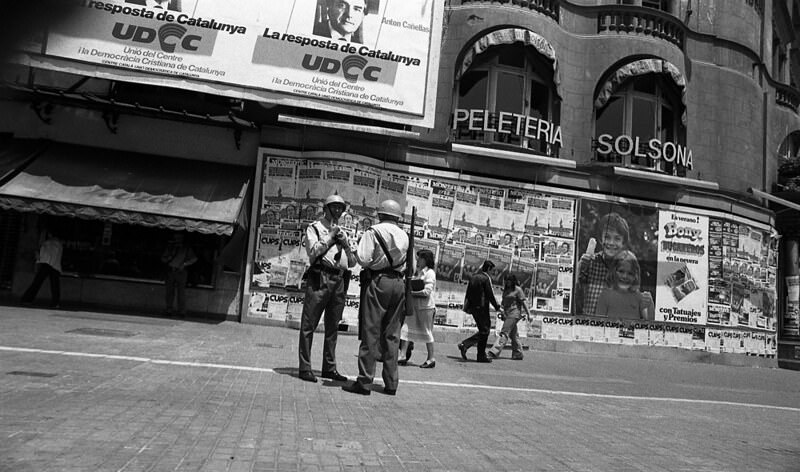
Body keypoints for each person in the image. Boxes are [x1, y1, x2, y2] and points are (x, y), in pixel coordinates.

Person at [342, 199, 409, 396]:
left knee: (371, 331)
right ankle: (391, 383)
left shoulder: (374, 232)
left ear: (380, 214)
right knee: (392, 334)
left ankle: (364, 381)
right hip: (399, 284)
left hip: (379, 282)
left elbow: (363, 259)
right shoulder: (405, 235)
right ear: (397, 217)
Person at [297, 194, 356, 383]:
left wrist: (345, 245)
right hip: (320, 276)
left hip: (339, 279)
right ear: (327, 208)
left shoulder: (343, 232)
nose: (338, 211)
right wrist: (330, 237)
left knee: (333, 326)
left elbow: (353, 262)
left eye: (341, 208)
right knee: (309, 324)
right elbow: (313, 253)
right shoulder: (314, 228)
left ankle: (329, 368)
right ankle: (305, 367)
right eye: (335, 207)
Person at [577, 212, 630, 316]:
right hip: (588, 326)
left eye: (617, 238)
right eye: (607, 237)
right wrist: (579, 268)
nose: (611, 242)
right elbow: (575, 294)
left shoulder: (627, 269)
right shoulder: (591, 262)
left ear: (623, 243)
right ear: (601, 239)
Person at [398, 249, 437, 368]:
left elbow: (427, 291)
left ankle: (431, 358)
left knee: (427, 332)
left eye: (421, 258)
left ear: (427, 260)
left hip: (426, 308)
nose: (418, 260)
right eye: (418, 258)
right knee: (406, 329)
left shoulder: (430, 273)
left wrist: (412, 293)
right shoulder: (417, 272)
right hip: (414, 307)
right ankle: (402, 355)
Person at [458, 260, 503, 363]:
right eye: (492, 271)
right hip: (482, 308)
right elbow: (490, 294)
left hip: (473, 308)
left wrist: (467, 307)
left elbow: (468, 293)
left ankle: (479, 354)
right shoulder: (486, 278)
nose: (493, 273)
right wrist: (497, 307)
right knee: (485, 330)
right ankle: (466, 345)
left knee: (483, 330)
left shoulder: (474, 277)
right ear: (488, 269)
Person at [595, 250, 654, 320]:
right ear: (614, 271)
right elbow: (598, 323)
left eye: (630, 273)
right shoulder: (605, 295)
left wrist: (650, 304)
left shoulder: (638, 297)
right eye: (621, 271)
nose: (625, 276)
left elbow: (650, 322)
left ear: (636, 275)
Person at [487, 274, 530, 360]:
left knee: (504, 332)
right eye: (506, 280)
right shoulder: (506, 290)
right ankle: (518, 353)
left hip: (515, 314)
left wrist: (529, 314)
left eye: (509, 280)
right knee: (513, 335)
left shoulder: (518, 290)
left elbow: (524, 302)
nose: (507, 282)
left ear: (513, 281)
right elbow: (503, 303)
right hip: (507, 314)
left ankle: (494, 352)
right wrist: (502, 313)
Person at [21, 229, 63, 308]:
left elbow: (43, 254)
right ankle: (55, 303)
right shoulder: (59, 244)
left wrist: (39, 259)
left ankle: (27, 299)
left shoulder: (48, 243)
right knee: (54, 285)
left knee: (37, 282)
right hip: (54, 266)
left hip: (47, 264)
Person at [161, 232, 197, 317]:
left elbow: (194, 259)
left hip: (181, 272)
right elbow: (163, 258)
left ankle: (181, 311)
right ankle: (169, 309)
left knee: (181, 293)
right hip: (171, 271)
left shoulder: (186, 248)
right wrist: (168, 258)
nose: (177, 240)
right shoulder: (170, 247)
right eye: (176, 238)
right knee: (169, 292)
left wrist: (185, 264)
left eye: (179, 238)